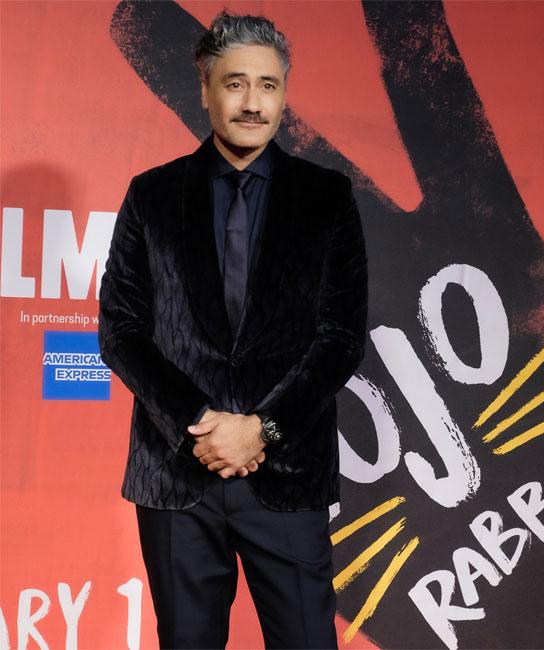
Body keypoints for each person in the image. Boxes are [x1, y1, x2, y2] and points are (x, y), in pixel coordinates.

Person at [98, 10, 368, 650]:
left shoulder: (327, 197)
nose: (253, 103)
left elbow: (340, 339)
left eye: (268, 85)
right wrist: (200, 424)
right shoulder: (151, 195)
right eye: (236, 83)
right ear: (205, 89)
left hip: (286, 473)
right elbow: (122, 331)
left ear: (284, 94)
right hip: (177, 475)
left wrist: (261, 430)